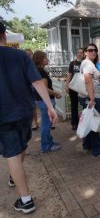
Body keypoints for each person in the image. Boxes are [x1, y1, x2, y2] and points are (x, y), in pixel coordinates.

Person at [0, 21, 58, 213]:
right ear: (4, 36)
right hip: (25, 111)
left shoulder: (21, 56)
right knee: (20, 147)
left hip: (4, 115)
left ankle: (26, 200)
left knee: (11, 153)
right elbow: (37, 82)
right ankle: (12, 176)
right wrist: (50, 107)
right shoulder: (21, 55)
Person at [79, 43, 100, 157]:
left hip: (87, 97)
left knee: (89, 121)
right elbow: (88, 80)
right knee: (94, 123)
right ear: (85, 52)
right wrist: (92, 98)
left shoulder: (87, 63)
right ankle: (98, 150)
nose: (93, 52)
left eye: (95, 50)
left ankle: (87, 144)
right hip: (91, 97)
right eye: (90, 50)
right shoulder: (88, 64)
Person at [32, 50, 62, 153]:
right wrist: (56, 93)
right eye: (45, 58)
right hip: (45, 101)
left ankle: (50, 142)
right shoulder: (41, 71)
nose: (47, 59)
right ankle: (46, 146)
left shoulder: (36, 70)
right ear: (40, 59)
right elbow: (44, 89)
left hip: (41, 101)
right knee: (46, 124)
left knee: (47, 123)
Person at [65, 48, 84, 130]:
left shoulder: (85, 63)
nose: (80, 54)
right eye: (78, 52)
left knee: (84, 105)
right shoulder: (72, 63)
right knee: (74, 105)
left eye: (81, 52)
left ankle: (84, 122)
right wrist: (67, 85)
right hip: (73, 88)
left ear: (84, 54)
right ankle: (74, 123)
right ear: (76, 54)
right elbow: (69, 74)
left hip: (83, 88)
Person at [25, 49, 39, 131]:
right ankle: (30, 122)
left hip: (34, 87)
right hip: (26, 88)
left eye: (30, 54)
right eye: (27, 54)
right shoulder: (22, 64)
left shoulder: (34, 65)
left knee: (33, 106)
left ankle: (35, 122)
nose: (29, 56)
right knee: (28, 106)